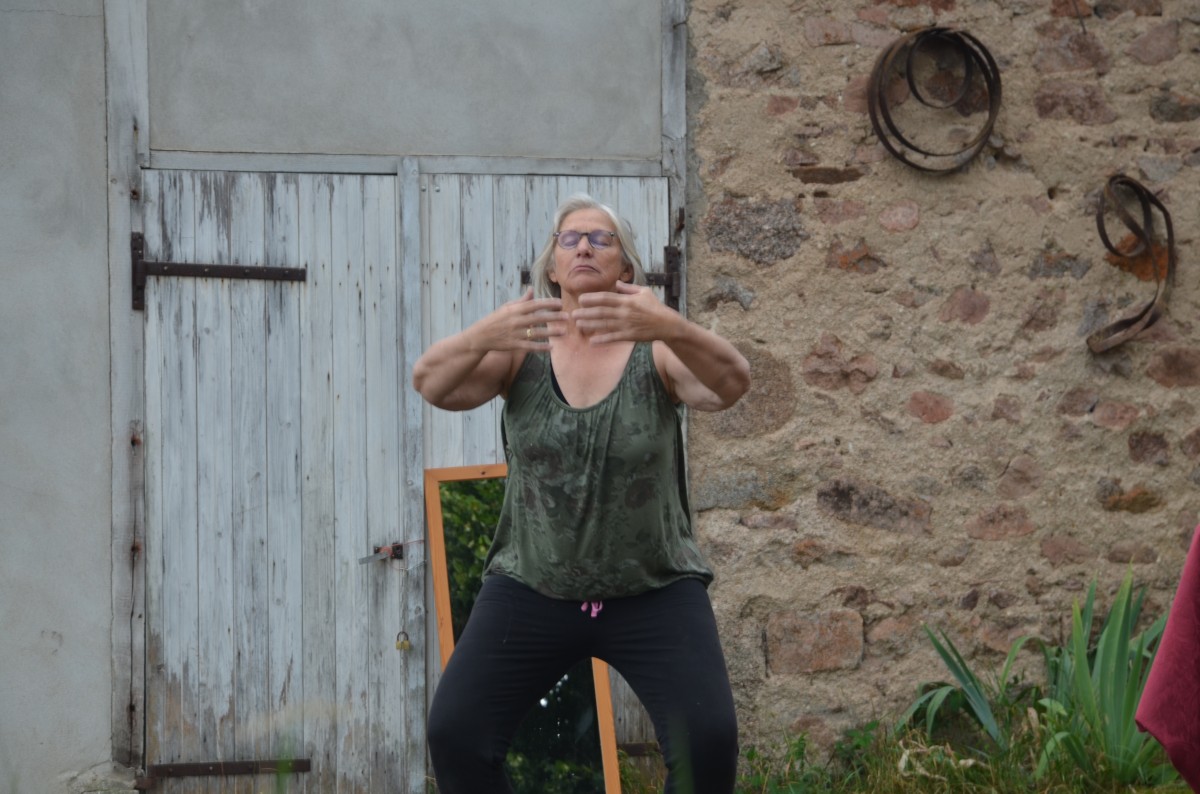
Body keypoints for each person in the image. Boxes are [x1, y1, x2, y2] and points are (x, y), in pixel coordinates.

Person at [413, 193, 750, 794]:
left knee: (708, 745)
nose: (585, 246)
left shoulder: (657, 349)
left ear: (626, 266)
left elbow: (732, 384)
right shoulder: (522, 351)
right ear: (552, 265)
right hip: (532, 585)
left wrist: (670, 323)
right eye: (569, 239)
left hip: (653, 587)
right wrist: (482, 333)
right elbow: (431, 383)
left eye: (602, 238)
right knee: (457, 733)